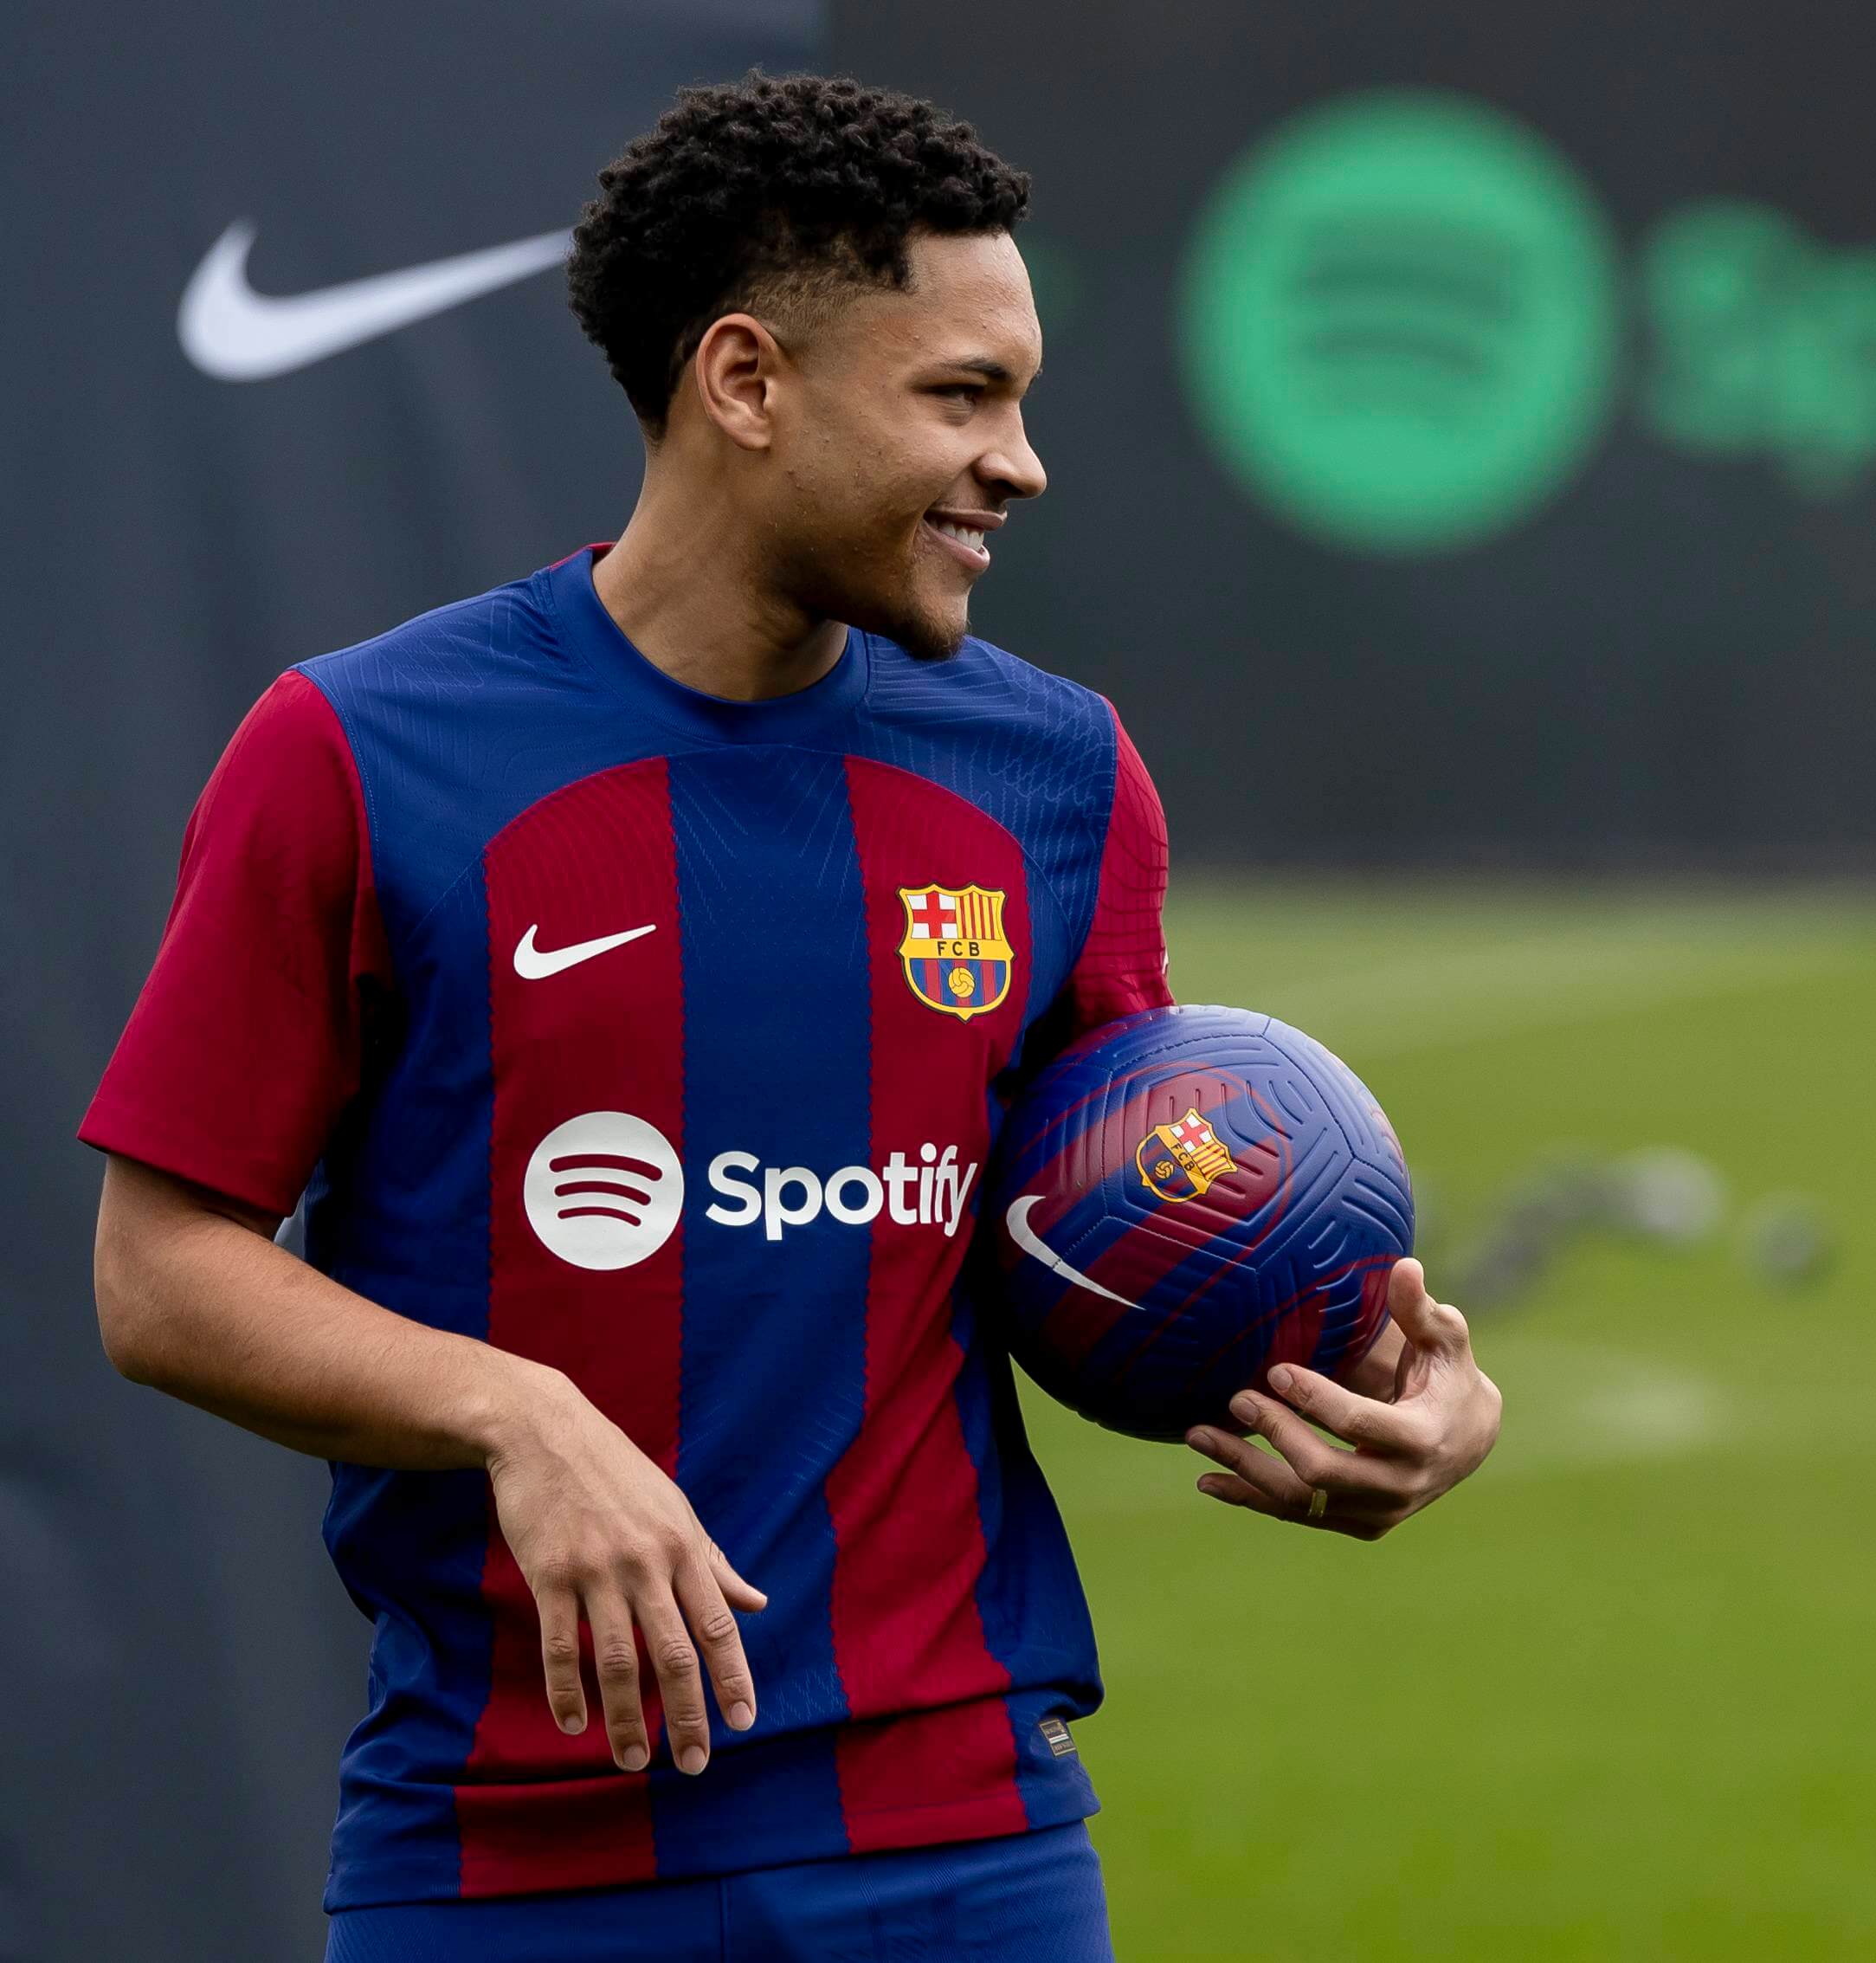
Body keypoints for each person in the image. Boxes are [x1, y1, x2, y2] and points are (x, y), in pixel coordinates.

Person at [81, 73, 1501, 1962]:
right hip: (497, 1854)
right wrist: (514, 1413)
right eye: (961, 395)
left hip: (964, 1844)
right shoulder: (359, 749)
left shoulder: (1056, 774)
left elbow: (1136, 1222)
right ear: (745, 384)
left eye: (1023, 397)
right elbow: (161, 1272)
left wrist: (1384, 1394)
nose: (1022, 461)